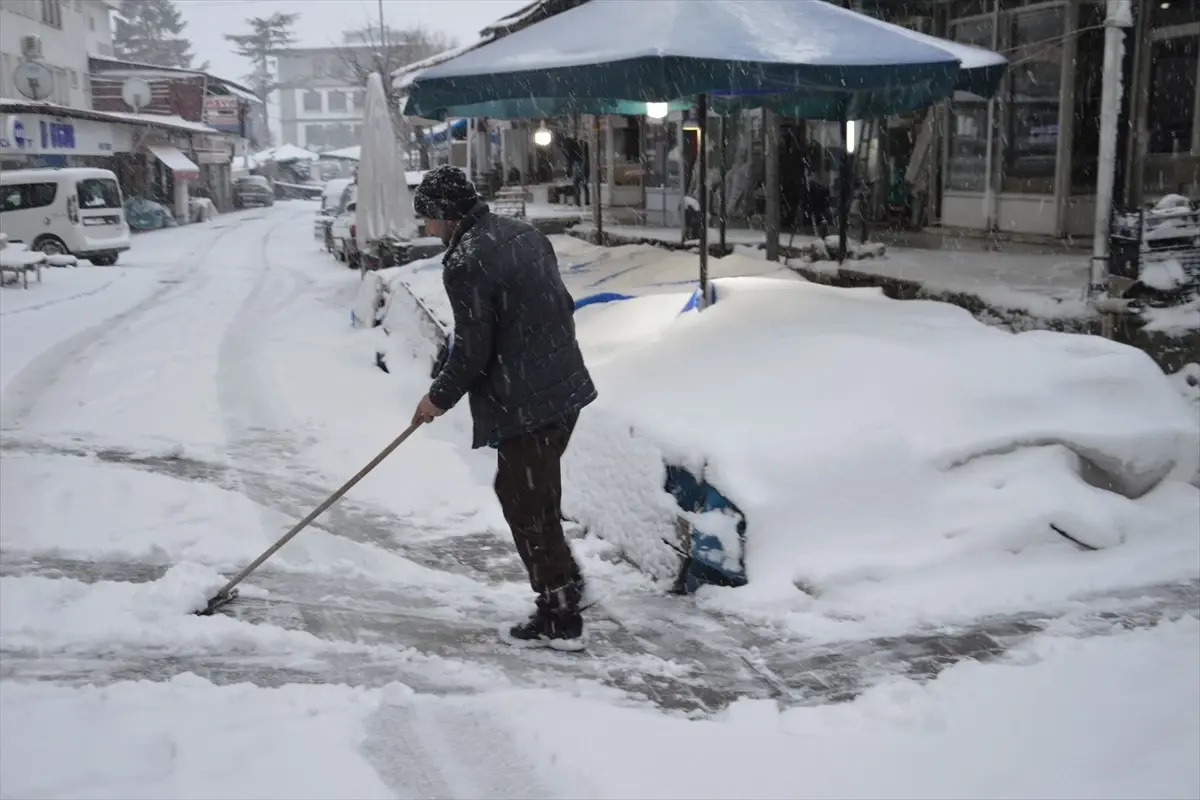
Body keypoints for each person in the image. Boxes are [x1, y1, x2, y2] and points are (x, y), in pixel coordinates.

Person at [410, 165, 598, 651]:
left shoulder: (467, 261)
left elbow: (472, 351)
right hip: (563, 387)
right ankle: (567, 584)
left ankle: (560, 614)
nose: (427, 230)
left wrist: (438, 396)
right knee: (535, 495)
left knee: (523, 500)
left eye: (429, 219)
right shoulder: (524, 234)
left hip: (529, 400)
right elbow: (559, 304)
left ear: (448, 213)